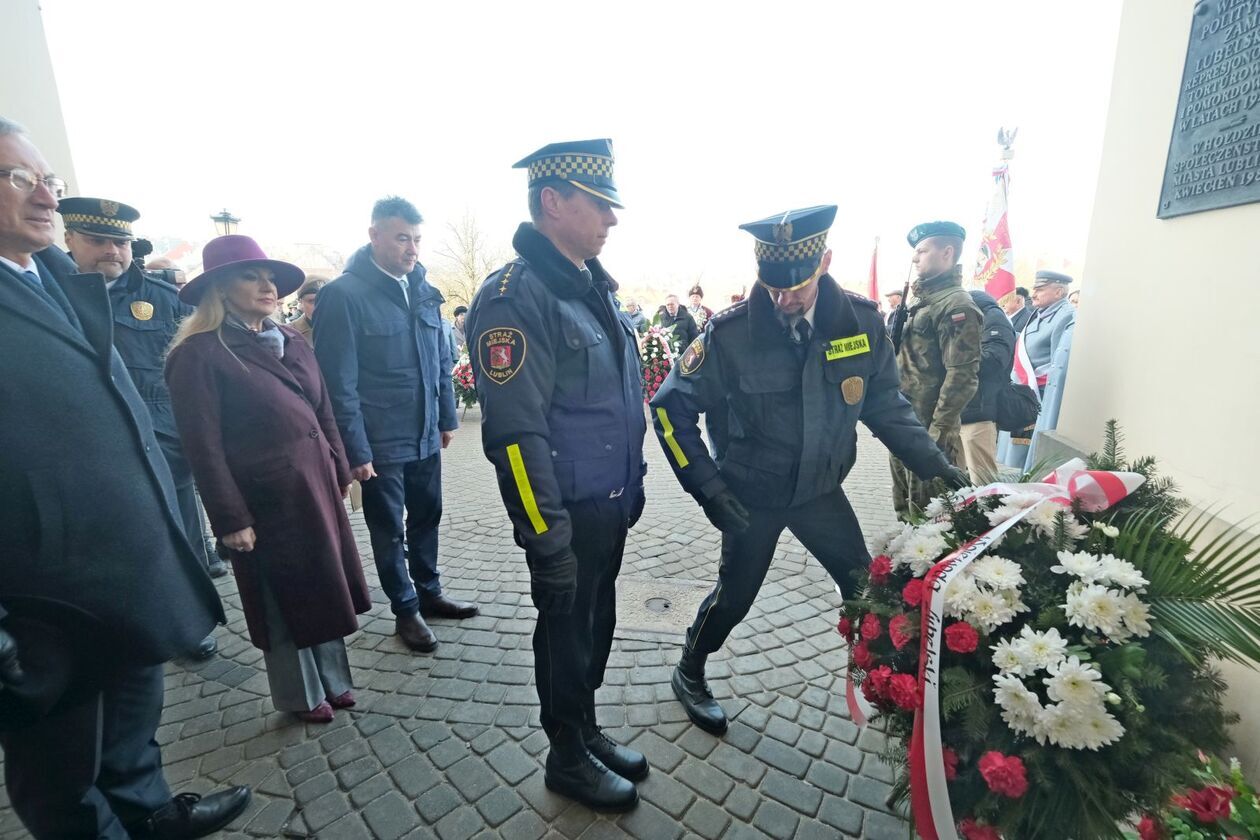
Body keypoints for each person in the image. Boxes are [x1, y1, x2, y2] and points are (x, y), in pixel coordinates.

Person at [0, 118, 249, 839]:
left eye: (50, 179)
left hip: (123, 575)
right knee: (62, 776)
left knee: (132, 727)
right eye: (20, 177)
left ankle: (148, 813)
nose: (46, 193)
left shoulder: (53, 276)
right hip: (44, 602)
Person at [649, 205, 968, 736]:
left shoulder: (861, 324)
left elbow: (886, 405)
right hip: (752, 494)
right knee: (734, 598)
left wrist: (935, 465)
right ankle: (690, 669)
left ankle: (889, 682)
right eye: (772, 286)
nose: (783, 299)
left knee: (863, 588)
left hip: (820, 490)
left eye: (796, 285)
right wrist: (708, 487)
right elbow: (668, 410)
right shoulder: (729, 336)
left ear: (824, 261)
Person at [466, 139, 647, 811]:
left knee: (595, 625)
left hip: (606, 503)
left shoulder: (590, 286)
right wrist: (545, 536)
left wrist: (633, 481)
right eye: (599, 204)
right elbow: (516, 437)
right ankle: (565, 755)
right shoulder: (515, 298)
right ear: (552, 202)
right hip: (564, 512)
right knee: (565, 635)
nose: (612, 219)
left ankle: (587, 729)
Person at [165, 235, 371, 724]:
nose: (267, 286)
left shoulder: (292, 339)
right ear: (218, 287)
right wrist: (230, 517)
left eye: (270, 277)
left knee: (322, 585)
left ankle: (334, 681)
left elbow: (324, 410)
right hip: (263, 501)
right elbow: (202, 446)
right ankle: (300, 695)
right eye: (250, 276)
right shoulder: (199, 354)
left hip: (312, 487)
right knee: (283, 598)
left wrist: (339, 469)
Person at [314, 196, 477, 654]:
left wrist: (446, 418)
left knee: (429, 514)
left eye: (418, 239)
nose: (412, 249)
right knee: (389, 528)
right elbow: (337, 384)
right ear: (375, 236)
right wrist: (356, 450)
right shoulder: (343, 295)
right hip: (380, 441)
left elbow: (442, 361)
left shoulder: (424, 289)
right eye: (403, 237)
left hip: (426, 433)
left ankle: (429, 591)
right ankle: (405, 609)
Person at [58, 197, 230, 625]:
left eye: (121, 242)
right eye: (98, 240)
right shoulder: (50, 297)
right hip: (89, 443)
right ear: (70, 240)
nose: (112, 251)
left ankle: (193, 622)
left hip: (164, 436)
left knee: (184, 532)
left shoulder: (164, 298)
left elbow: (201, 362)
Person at [889, 221, 982, 519]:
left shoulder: (956, 304)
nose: (915, 258)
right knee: (905, 509)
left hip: (928, 429)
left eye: (922, 250)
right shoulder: (920, 300)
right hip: (904, 423)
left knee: (932, 518)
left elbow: (962, 375)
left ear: (947, 252)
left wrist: (938, 432)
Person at [959, 289, 1016, 483]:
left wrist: (953, 357)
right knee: (956, 481)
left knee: (982, 480)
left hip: (979, 411)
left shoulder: (994, 319)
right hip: (960, 410)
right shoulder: (973, 317)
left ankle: (985, 513)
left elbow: (994, 360)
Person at [1024, 270, 1076, 393]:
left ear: (1058, 292)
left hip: (1040, 392)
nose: (1033, 295)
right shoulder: (1041, 311)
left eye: (1039, 290)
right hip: (1025, 389)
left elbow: (1058, 366)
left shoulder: (1066, 316)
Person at [289, 275, 328, 344]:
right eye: (312, 301)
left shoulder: (345, 328)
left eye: (325, 300)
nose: (320, 307)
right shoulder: (288, 334)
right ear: (301, 302)